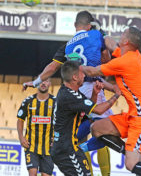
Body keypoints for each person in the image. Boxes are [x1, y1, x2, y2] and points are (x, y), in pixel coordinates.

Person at [23, 10, 114, 175]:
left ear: (75, 25)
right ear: (90, 25)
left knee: (79, 134)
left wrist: (35, 82)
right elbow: (107, 59)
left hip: (76, 90)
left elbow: (52, 67)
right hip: (92, 84)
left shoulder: (68, 45)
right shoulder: (95, 35)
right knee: (107, 130)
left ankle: (84, 163)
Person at [82, 27, 141, 176]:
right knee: (97, 128)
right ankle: (132, 153)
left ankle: (134, 157)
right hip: (134, 113)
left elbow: (92, 71)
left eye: (123, 33)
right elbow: (111, 45)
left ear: (126, 41)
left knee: (130, 165)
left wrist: (74, 65)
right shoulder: (132, 54)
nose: (120, 35)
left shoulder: (125, 62)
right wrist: (101, 33)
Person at [51, 61, 120, 176]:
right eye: (82, 73)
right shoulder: (70, 96)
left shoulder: (70, 93)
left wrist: (95, 94)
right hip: (66, 150)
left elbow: (89, 109)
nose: (85, 75)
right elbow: (99, 110)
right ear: (74, 77)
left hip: (70, 148)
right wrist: (117, 94)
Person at [17, 79, 56, 176]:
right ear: (36, 84)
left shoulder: (56, 102)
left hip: (49, 147)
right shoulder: (28, 101)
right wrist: (21, 138)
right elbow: (20, 120)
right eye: (41, 81)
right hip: (31, 145)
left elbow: (62, 121)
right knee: (32, 173)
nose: (43, 83)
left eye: (46, 81)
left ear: (50, 84)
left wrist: (57, 138)